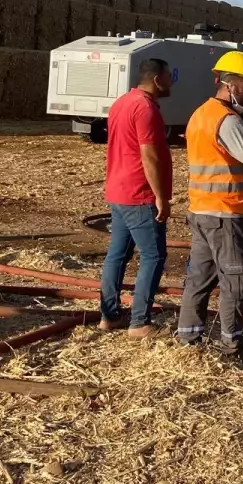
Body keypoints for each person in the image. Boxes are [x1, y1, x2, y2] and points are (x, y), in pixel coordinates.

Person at [176, 51, 243, 359]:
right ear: (228, 84)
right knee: (236, 281)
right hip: (226, 214)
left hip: (202, 211)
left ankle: (188, 339)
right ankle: (232, 346)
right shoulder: (226, 120)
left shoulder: (201, 113)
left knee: (199, 279)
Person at [99, 58, 174, 338]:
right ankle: (140, 323)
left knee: (117, 256)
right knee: (154, 256)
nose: (171, 83)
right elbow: (149, 155)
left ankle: (109, 315)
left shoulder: (122, 102)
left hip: (118, 191)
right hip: (139, 194)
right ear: (156, 80)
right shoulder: (145, 109)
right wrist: (160, 197)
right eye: (169, 77)